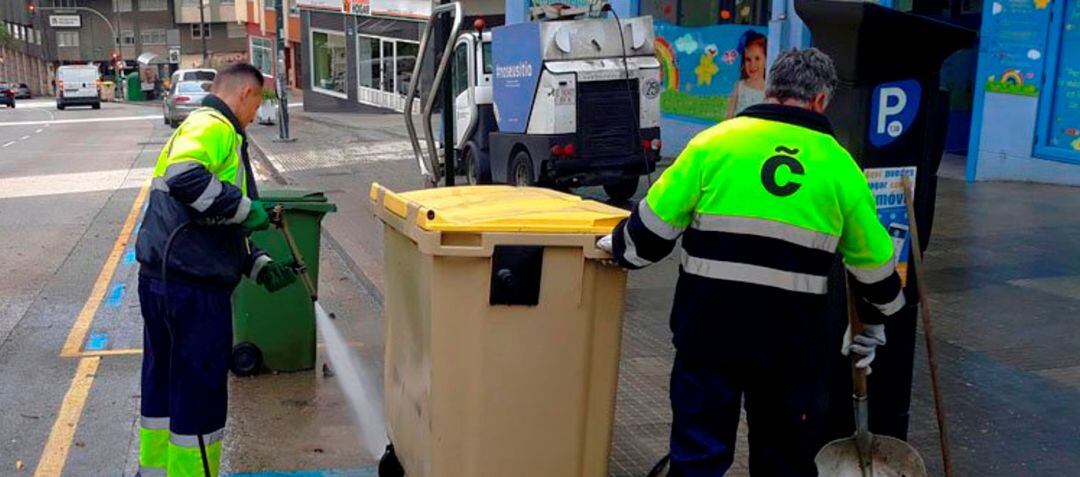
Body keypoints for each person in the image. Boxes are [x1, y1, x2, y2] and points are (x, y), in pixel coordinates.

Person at [597, 49, 906, 476]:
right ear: (820, 101)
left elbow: (645, 240)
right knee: (783, 459)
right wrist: (878, 318)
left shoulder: (712, 144)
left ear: (770, 88)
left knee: (698, 457)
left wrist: (615, 248)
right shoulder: (840, 166)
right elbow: (875, 268)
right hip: (789, 347)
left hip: (707, 336)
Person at [134, 63, 297, 477]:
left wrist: (256, 263)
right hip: (192, 288)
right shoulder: (214, 126)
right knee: (200, 390)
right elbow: (186, 179)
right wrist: (246, 208)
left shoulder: (197, 128)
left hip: (163, 277)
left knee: (165, 382)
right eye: (257, 103)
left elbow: (204, 221)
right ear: (245, 94)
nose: (256, 115)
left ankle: (154, 472)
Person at [725, 30, 767, 119]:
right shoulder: (739, 86)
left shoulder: (769, 90)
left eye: (757, 58)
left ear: (766, 60)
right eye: (748, 59)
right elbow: (729, 115)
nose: (753, 65)